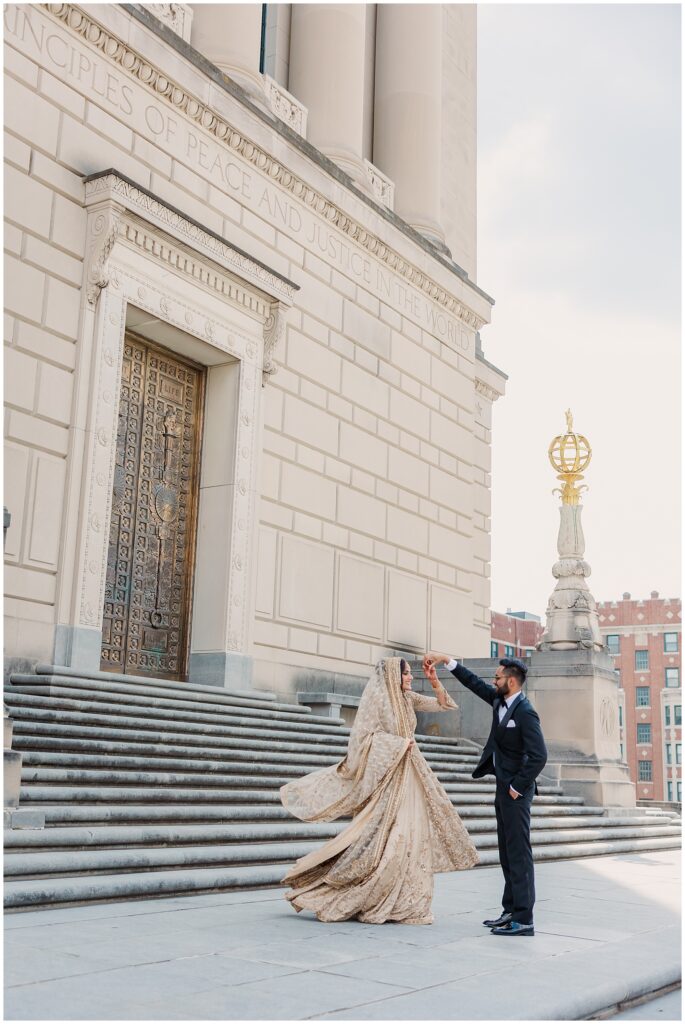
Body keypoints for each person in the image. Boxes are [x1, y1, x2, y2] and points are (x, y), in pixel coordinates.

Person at [280, 657, 478, 925]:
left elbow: (444, 705)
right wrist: (398, 745)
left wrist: (433, 680)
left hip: (410, 773)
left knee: (411, 836)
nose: (410, 678)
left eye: (409, 674)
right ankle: (365, 891)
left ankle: (405, 898)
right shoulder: (379, 701)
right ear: (392, 677)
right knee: (388, 837)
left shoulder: (408, 698)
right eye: (406, 674)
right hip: (389, 776)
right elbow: (363, 739)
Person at [423, 653, 547, 937]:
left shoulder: (525, 712)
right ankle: (510, 911)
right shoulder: (499, 700)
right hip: (503, 788)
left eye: (498, 677)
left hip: (516, 792)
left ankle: (524, 919)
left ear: (512, 682)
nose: (494, 681)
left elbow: (539, 756)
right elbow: (474, 684)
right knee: (506, 852)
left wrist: (516, 787)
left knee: (519, 854)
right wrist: (447, 661)